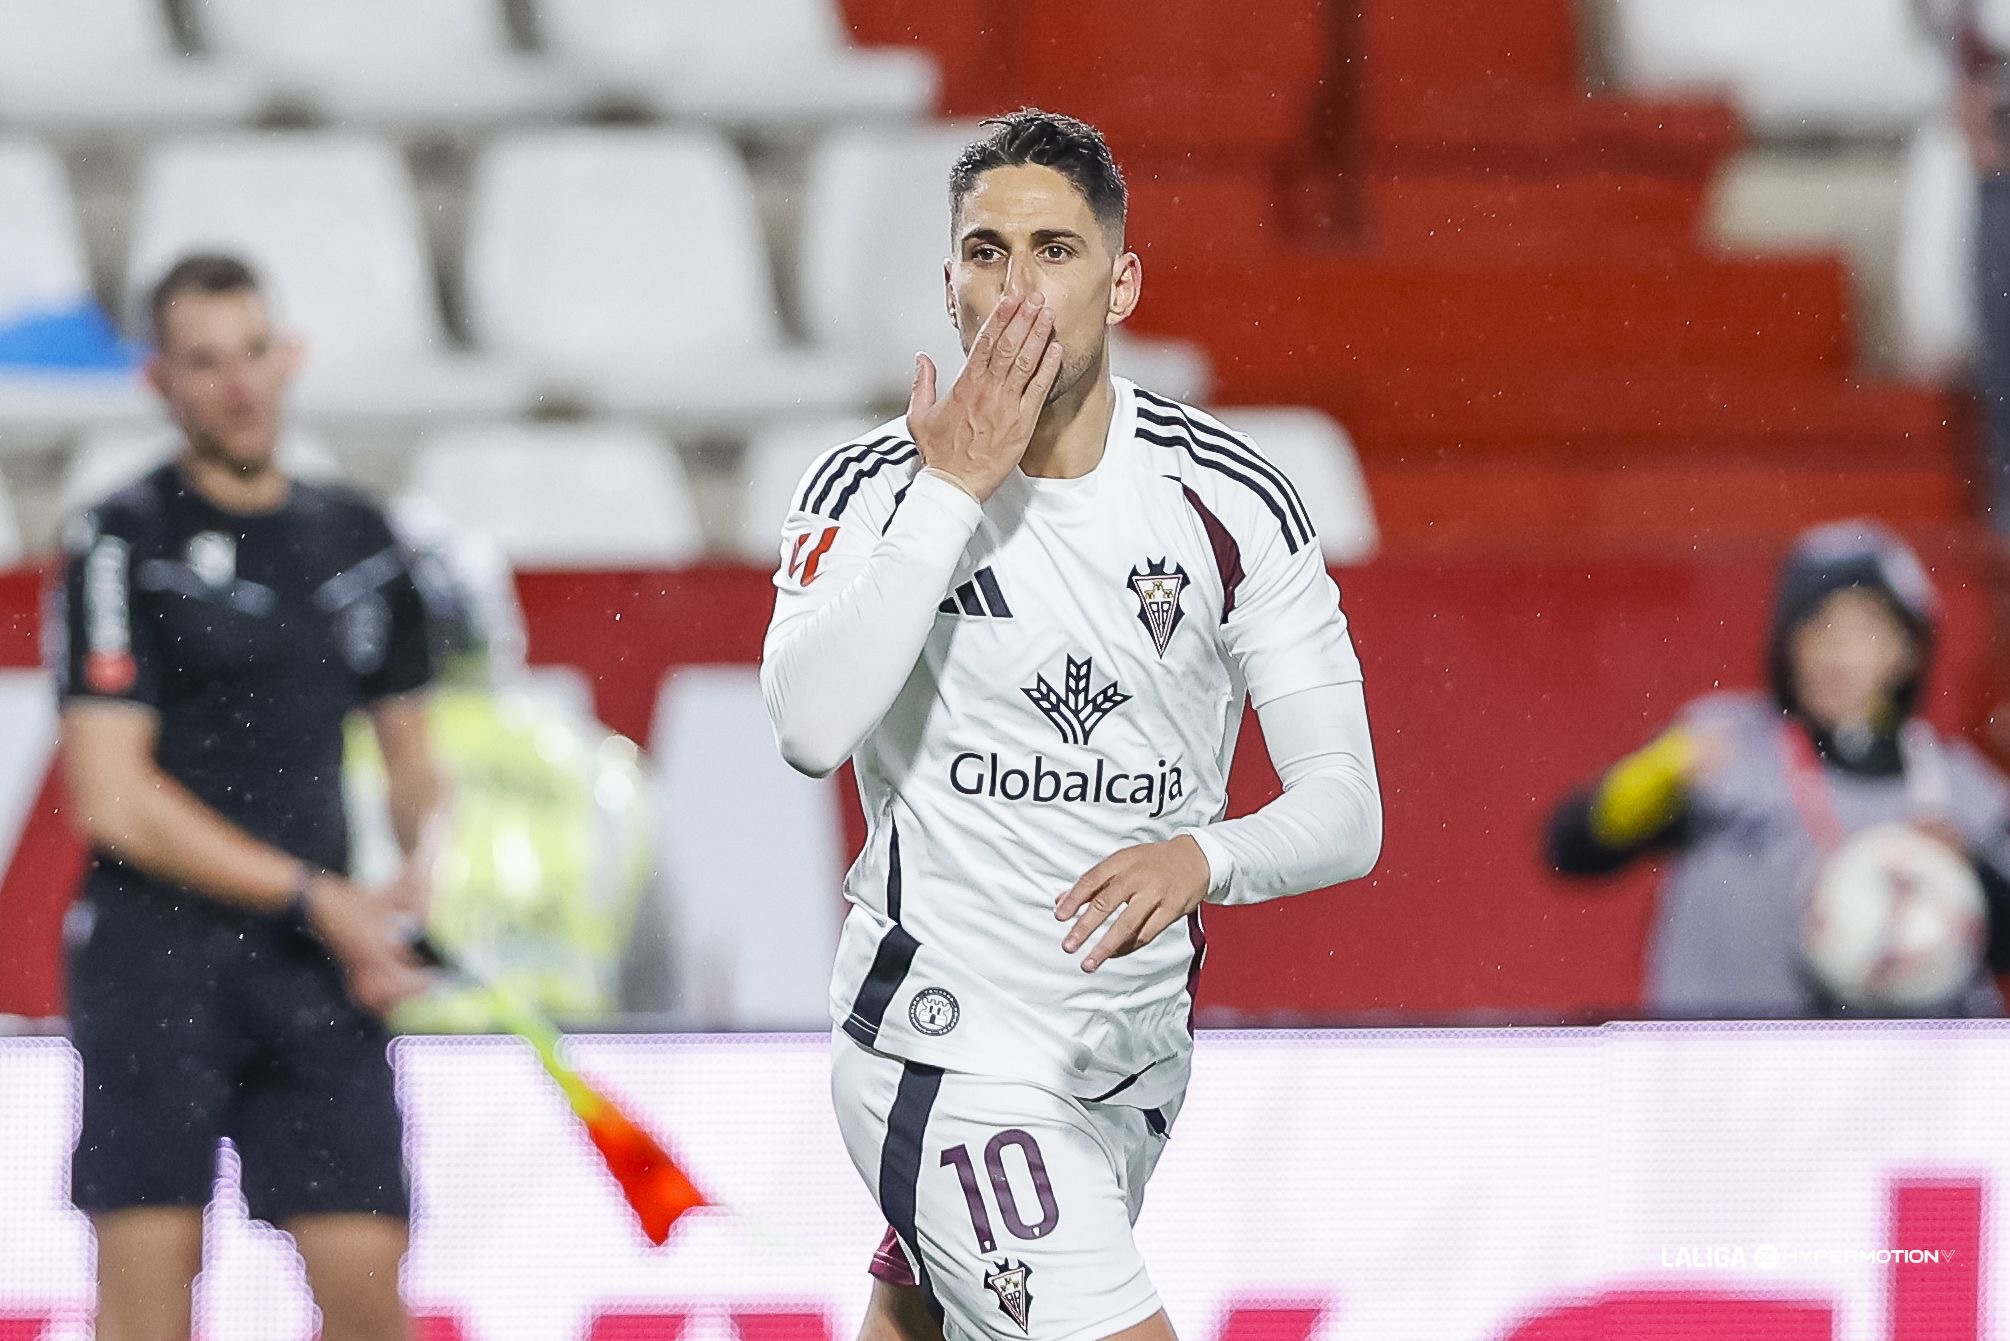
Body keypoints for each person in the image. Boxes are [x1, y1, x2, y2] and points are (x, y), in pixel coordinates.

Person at [760, 110, 1383, 1341]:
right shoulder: (874, 487)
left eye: (1055, 251)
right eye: (985, 252)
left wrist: (1203, 856)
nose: (1017, 289)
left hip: (1126, 1062)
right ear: (947, 282)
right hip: (942, 1047)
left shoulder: (1229, 501)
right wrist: (955, 486)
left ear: (1122, 281)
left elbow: (1346, 807)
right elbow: (811, 728)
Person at [51, 254, 440, 1341]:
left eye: (253, 353)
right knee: (148, 1306)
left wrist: (416, 878)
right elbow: (112, 797)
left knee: (370, 1297)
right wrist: (320, 896)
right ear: (159, 381)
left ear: (290, 357)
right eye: (205, 361)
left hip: (315, 968)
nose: (237, 385)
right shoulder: (121, 538)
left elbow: (413, 754)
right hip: (155, 960)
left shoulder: (360, 537)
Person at [1545, 520, 2010, 1017]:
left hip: (1898, 1065)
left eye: (1861, 627)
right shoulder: (1725, 746)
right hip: (1719, 1057)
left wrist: (1974, 879)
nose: (1834, 650)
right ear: (1785, 644)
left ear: (1908, 649)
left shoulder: (1962, 789)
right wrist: (1656, 778)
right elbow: (1571, 849)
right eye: (1814, 625)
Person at [343, 500, 664, 1031]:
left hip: (399, 1055)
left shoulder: (337, 756)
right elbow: (660, 987)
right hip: (561, 1060)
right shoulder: (602, 768)